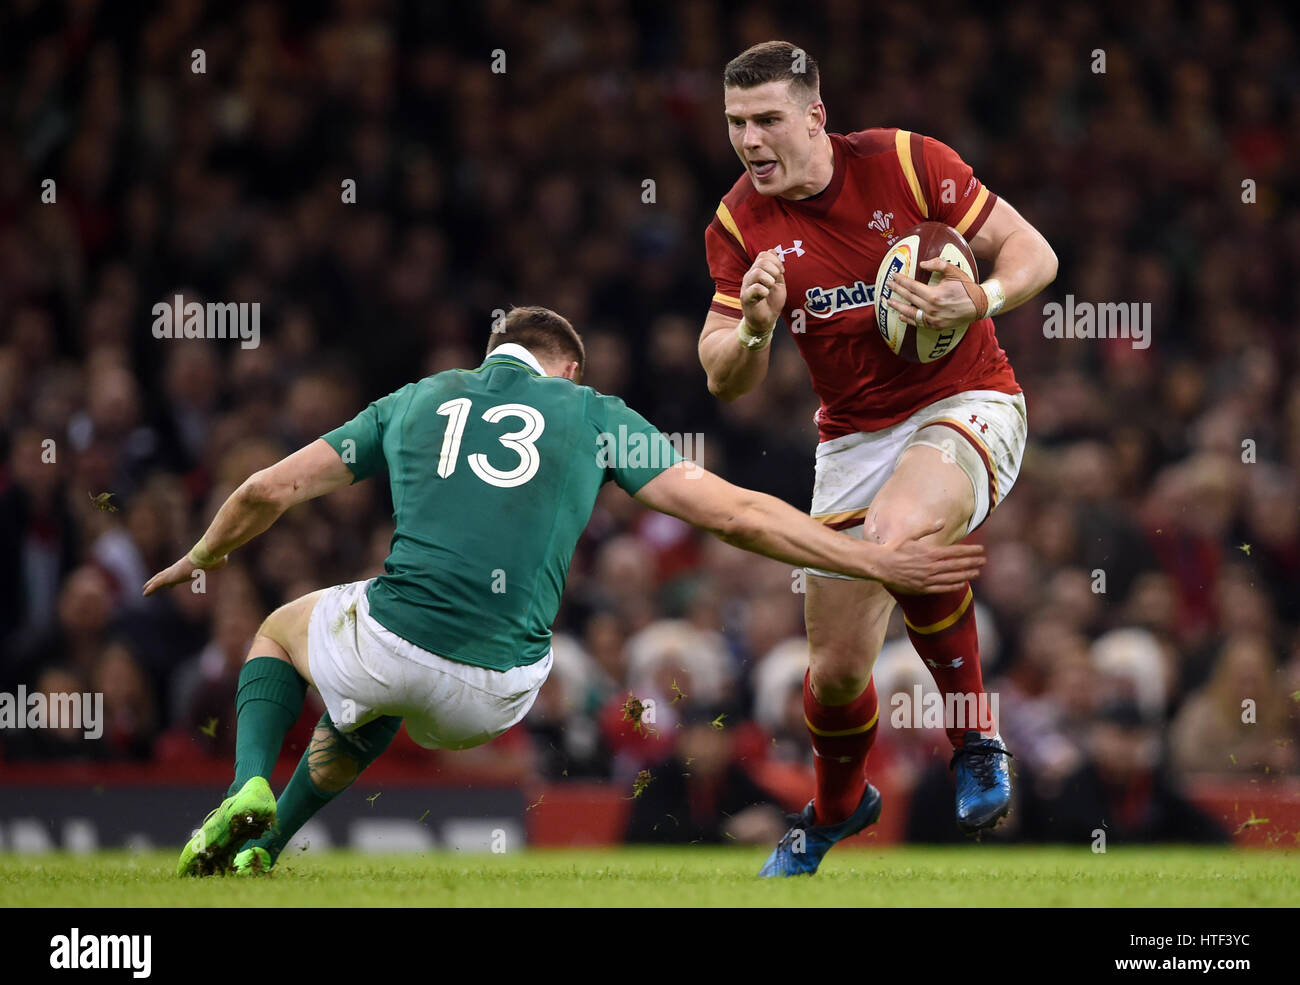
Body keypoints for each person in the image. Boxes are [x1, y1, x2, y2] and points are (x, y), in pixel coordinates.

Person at [144, 305, 985, 876]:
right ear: (568, 366)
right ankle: (266, 850)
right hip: (504, 691)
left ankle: (245, 783)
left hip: (394, 639)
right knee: (370, 702)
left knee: (282, 628)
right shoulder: (591, 412)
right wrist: (874, 563)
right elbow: (733, 513)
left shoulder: (418, 398)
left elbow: (266, 490)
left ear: (490, 356)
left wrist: (200, 554)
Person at [697, 41, 1058, 875]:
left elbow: (1034, 253)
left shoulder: (905, 160)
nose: (751, 142)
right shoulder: (737, 223)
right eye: (736, 124)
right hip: (853, 439)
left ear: (815, 117)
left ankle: (974, 738)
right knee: (833, 674)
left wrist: (979, 297)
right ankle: (835, 808)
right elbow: (724, 379)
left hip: (969, 404)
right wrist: (754, 327)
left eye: (767, 121)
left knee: (898, 532)